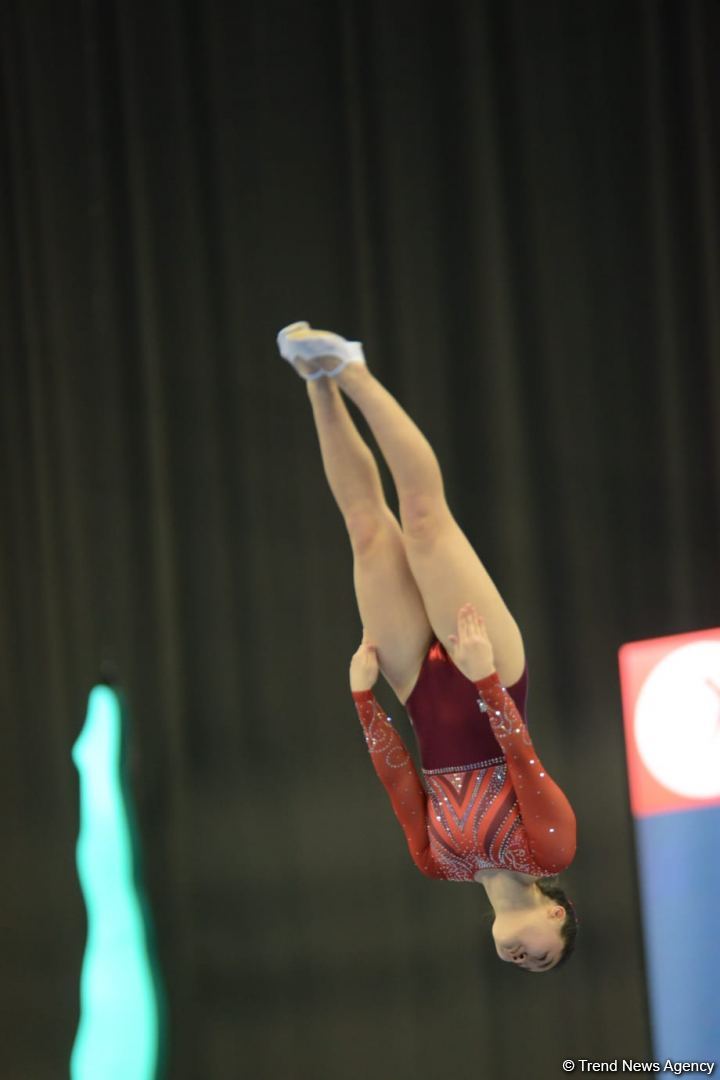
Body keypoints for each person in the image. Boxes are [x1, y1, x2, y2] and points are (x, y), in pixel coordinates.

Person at [277, 321, 578, 972]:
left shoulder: (437, 863)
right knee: (423, 521)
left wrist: (364, 698)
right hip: (490, 671)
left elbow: (397, 779)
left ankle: (317, 383)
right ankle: (352, 368)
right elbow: (523, 762)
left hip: (414, 685)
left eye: (525, 967)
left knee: (366, 531)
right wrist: (486, 679)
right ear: (556, 913)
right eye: (547, 960)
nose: (529, 963)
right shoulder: (548, 853)